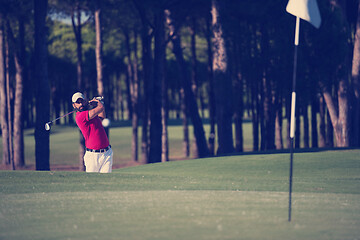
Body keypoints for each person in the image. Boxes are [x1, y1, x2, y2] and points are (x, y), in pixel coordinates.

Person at [72, 92, 113, 173]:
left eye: (82, 101)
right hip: (93, 156)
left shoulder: (90, 115)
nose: (81, 104)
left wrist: (97, 104)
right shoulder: (80, 116)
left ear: (85, 101)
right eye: (78, 102)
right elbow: (100, 108)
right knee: (93, 182)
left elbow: (101, 117)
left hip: (107, 153)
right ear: (74, 105)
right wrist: (98, 102)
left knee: (106, 182)